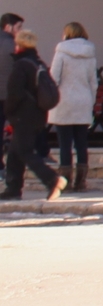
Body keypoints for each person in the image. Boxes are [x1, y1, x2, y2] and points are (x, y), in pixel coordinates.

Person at [2, 14, 64, 201]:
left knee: (24, 151)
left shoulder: (20, 65)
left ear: (18, 45)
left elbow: (15, 93)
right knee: (14, 151)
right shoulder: (38, 63)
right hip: (38, 114)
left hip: (23, 116)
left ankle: (52, 179)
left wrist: (9, 112)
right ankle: (13, 188)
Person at [49, 23, 97, 195]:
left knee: (64, 143)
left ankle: (65, 181)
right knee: (82, 143)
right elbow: (93, 81)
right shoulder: (90, 53)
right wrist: (90, 102)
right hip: (83, 100)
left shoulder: (61, 52)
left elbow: (54, 77)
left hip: (64, 100)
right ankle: (81, 181)